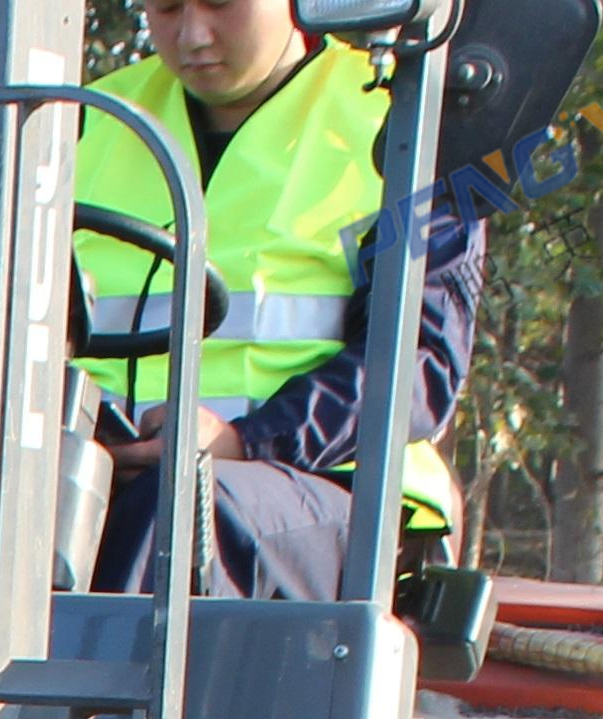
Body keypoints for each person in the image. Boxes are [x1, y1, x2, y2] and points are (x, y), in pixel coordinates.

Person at [74, 0, 483, 598]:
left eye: (220, 4)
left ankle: (75, 695)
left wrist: (247, 439)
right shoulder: (84, 121)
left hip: (330, 488)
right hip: (104, 471)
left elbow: (421, 363)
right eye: (164, 8)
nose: (192, 35)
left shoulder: (405, 124)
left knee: (173, 517)